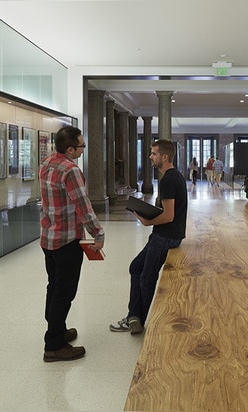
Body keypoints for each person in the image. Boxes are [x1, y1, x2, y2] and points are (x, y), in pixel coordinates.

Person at [39, 126, 105, 362]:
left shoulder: (46, 164)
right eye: (81, 146)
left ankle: (57, 329)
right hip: (66, 240)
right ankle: (54, 344)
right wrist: (98, 233)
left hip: (48, 238)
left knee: (53, 286)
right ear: (70, 148)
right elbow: (83, 206)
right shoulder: (71, 170)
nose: (83, 149)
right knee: (64, 293)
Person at [110, 139, 187, 333]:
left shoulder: (169, 179)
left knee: (146, 277)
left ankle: (136, 320)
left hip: (165, 237)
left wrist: (146, 221)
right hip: (166, 235)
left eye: (153, 154)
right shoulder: (173, 176)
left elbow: (169, 216)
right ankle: (134, 316)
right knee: (136, 268)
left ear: (165, 157)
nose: (150, 157)